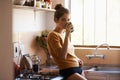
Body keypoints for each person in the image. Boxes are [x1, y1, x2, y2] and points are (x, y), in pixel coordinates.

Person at [47, 4, 87, 80]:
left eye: (68, 19)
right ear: (56, 20)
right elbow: (62, 56)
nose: (66, 22)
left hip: (77, 68)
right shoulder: (53, 35)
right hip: (68, 71)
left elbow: (69, 53)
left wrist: (77, 59)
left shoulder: (64, 33)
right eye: (63, 19)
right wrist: (67, 35)